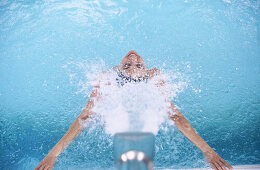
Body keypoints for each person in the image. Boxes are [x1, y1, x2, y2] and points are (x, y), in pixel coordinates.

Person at [35, 50, 233, 170]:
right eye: (131, 64)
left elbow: (176, 116)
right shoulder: (107, 79)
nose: (134, 57)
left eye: (136, 64)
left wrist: (207, 151)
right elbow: (85, 117)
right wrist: (55, 154)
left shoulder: (153, 77)